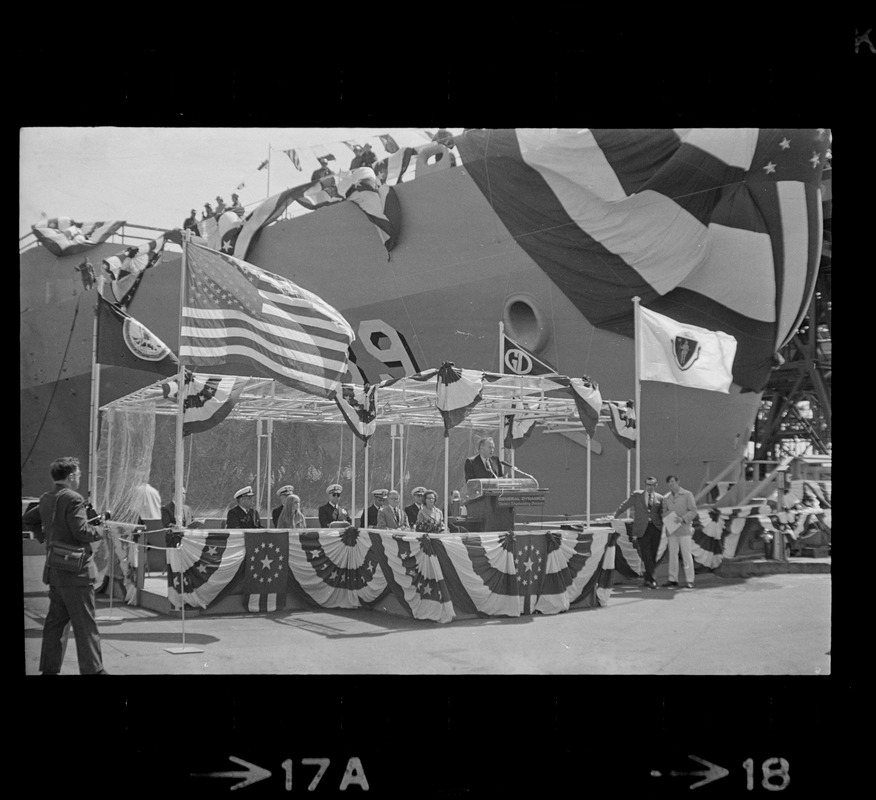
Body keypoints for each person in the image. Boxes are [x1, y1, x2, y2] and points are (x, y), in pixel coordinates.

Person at [22, 456, 108, 675]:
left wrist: (48, 540)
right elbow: (82, 532)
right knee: (85, 625)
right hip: (77, 574)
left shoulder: (46, 497)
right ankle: (94, 671)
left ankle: (49, 670)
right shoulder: (74, 499)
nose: (79, 477)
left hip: (55, 571)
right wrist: (101, 530)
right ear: (71, 476)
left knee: (55, 625)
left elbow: (28, 520)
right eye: (78, 474)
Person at [614, 476, 663, 589]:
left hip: (655, 528)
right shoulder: (637, 495)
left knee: (653, 554)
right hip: (642, 529)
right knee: (646, 554)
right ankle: (652, 579)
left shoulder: (660, 498)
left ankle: (648, 579)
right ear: (644, 485)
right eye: (648, 485)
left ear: (656, 486)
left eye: (652, 485)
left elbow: (663, 513)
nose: (650, 487)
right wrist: (615, 515)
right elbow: (625, 505)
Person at [661, 475, 698, 589]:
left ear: (678, 482)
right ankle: (673, 579)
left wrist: (682, 519)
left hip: (684, 529)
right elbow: (663, 512)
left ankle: (690, 580)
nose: (671, 484)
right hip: (672, 530)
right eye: (669, 483)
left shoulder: (687, 495)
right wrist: (669, 518)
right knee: (673, 555)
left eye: (672, 481)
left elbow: (693, 511)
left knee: (686, 555)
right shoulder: (666, 498)